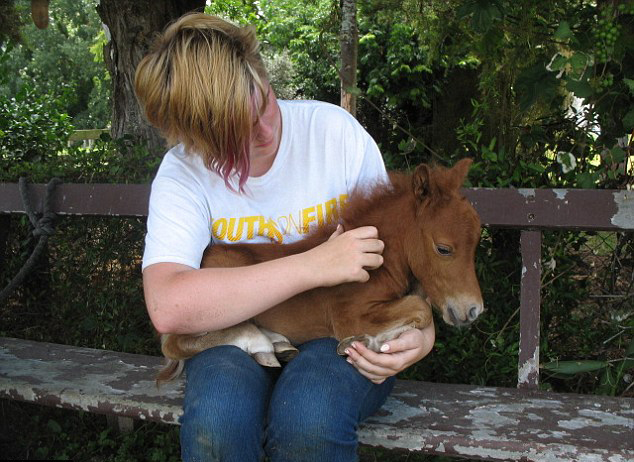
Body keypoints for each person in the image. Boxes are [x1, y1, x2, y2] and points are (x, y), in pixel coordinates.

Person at [134, 12, 435, 462]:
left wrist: (423, 330)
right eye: (241, 132)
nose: (267, 131)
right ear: (198, 139)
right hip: (232, 337)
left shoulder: (333, 134)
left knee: (309, 418)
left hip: (338, 333)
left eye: (266, 103)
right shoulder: (183, 173)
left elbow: (401, 262)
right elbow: (168, 306)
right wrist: (315, 265)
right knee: (217, 420)